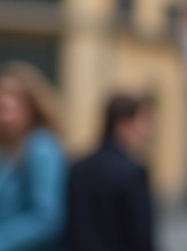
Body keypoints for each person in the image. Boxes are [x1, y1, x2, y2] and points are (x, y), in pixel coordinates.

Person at [0, 62, 67, 251]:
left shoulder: (41, 147)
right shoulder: (1, 152)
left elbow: (45, 218)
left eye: (9, 109)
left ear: (31, 108)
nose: (3, 118)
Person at [65, 93, 156, 251]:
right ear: (122, 124)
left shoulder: (77, 167)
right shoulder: (133, 173)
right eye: (142, 122)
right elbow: (141, 238)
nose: (147, 132)